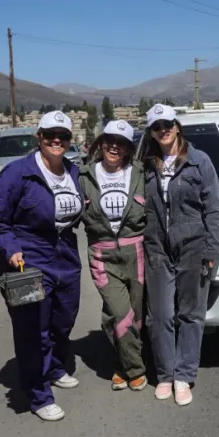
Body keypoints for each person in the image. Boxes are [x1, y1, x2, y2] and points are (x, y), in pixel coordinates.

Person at [0, 111, 84, 422]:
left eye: (63, 136)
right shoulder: (17, 174)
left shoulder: (73, 171)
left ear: (70, 141)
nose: (57, 140)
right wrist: (11, 248)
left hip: (65, 253)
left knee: (63, 320)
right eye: (50, 134)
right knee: (33, 331)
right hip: (27, 260)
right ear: (39, 137)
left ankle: (54, 367)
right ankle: (39, 394)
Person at [141, 104, 219, 407]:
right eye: (156, 126)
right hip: (157, 247)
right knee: (160, 315)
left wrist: (213, 248)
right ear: (151, 132)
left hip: (194, 245)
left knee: (191, 314)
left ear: (177, 126)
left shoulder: (199, 161)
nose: (162, 130)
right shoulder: (146, 164)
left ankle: (183, 375)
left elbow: (214, 208)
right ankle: (164, 374)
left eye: (167, 124)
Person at [78, 120, 148, 392]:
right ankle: (136, 369)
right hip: (102, 254)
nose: (114, 147)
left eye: (121, 143)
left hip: (137, 251)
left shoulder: (141, 173)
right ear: (101, 142)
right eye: (109, 140)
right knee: (120, 312)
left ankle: (122, 364)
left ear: (130, 149)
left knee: (136, 314)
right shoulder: (84, 176)